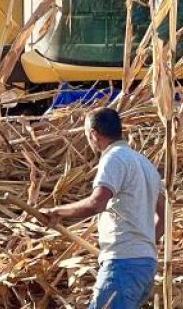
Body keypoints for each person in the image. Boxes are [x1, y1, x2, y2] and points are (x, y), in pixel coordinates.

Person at [38, 107, 164, 309]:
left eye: (87, 134)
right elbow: (163, 215)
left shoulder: (114, 158)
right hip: (145, 265)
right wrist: (145, 243)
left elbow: (97, 203)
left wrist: (56, 212)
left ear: (94, 134)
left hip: (123, 264)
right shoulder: (146, 164)